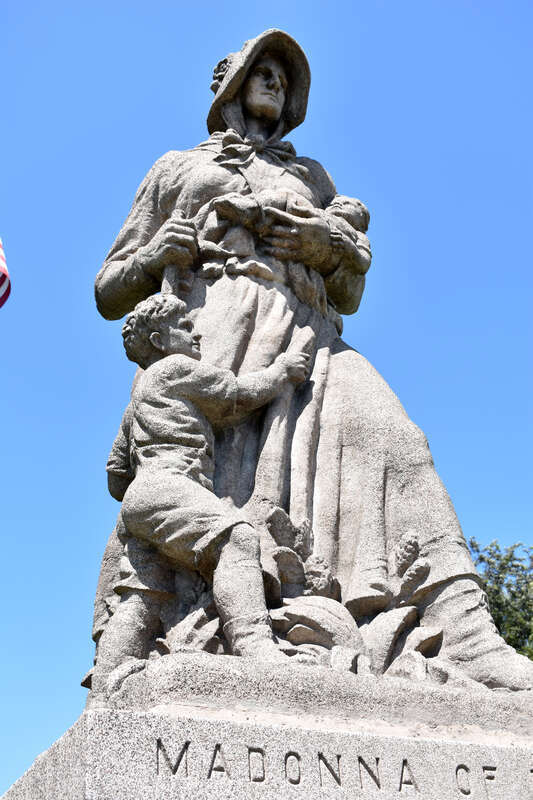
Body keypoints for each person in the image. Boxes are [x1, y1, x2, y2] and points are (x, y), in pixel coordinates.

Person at [94, 29, 533, 690]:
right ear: (231, 85)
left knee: (399, 440)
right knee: (217, 503)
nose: (273, 80)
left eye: (282, 74)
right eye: (260, 70)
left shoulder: (312, 177)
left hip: (309, 336)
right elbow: (109, 290)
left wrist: (323, 243)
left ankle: (465, 631)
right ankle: (227, 631)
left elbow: (350, 293)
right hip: (214, 338)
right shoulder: (176, 169)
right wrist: (157, 256)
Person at [91, 293, 311, 694]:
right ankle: (256, 646)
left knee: (142, 597)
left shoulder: (135, 401)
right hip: (171, 484)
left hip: (139, 500)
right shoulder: (174, 368)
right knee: (237, 537)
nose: (197, 332)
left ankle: (105, 686)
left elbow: (115, 475)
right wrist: (283, 371)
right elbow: (237, 395)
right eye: (184, 326)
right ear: (159, 341)